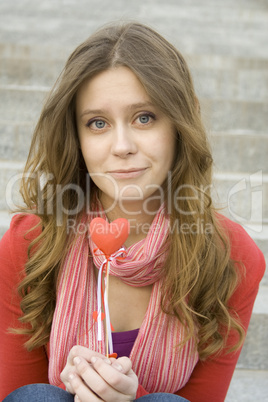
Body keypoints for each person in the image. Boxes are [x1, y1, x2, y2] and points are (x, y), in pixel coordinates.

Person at [0, 22, 265, 402]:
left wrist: (129, 396)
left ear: (179, 124)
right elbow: (13, 393)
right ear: (76, 138)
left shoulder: (234, 256)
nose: (122, 146)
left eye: (144, 117)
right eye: (98, 123)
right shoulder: (30, 241)